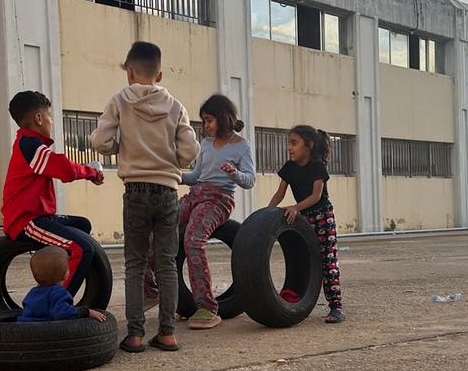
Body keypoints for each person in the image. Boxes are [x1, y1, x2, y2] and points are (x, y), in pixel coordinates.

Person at [89, 41, 201, 352]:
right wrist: (171, 161)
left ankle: (135, 335)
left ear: (129, 72)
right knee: (166, 263)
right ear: (160, 74)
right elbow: (191, 151)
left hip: (135, 190)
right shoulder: (176, 106)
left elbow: (100, 140)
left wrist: (118, 149)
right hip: (167, 191)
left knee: (135, 264)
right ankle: (167, 333)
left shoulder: (120, 101)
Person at [144, 94, 255, 329]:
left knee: (193, 240)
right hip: (195, 195)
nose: (205, 126)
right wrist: (174, 175)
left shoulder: (241, 146)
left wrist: (234, 173)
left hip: (218, 199)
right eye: (204, 121)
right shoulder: (205, 145)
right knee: (157, 227)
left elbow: (249, 180)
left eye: (209, 120)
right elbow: (196, 177)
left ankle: (207, 308)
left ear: (224, 118)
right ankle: (151, 289)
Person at [1, 91, 104, 296]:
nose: (51, 121)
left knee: (83, 225)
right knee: (82, 248)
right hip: (26, 221)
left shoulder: (32, 145)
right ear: (38, 119)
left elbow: (57, 166)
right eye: (49, 115)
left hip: (40, 216)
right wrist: (91, 172)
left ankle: (56, 273)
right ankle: (57, 301)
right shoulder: (29, 145)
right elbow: (63, 168)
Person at [267, 125, 345, 324]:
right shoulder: (289, 167)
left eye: (294, 143)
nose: (289, 147)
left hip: (322, 217)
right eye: (288, 143)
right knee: (302, 260)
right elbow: (280, 193)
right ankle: (296, 298)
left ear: (308, 145)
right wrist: (266, 213)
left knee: (327, 262)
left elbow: (316, 195)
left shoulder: (317, 166)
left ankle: (336, 307)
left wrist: (295, 207)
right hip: (303, 218)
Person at [17, 247, 107, 323]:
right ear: (66, 274)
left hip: (24, 330)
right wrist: (86, 312)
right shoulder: (58, 293)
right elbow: (63, 314)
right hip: (42, 334)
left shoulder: (32, 292)